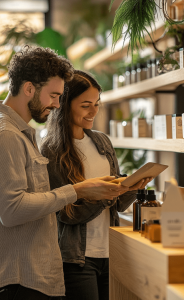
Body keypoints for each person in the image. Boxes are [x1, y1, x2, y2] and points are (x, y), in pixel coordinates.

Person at [0, 46, 129, 300]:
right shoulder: (5, 135)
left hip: (27, 279)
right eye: (54, 95)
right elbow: (11, 210)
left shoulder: (19, 133)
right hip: (15, 283)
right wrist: (77, 190)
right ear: (29, 88)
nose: (57, 104)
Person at [40, 70, 152, 300]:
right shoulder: (51, 150)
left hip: (111, 252)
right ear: (64, 104)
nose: (94, 112)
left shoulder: (102, 141)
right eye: (85, 105)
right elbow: (66, 214)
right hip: (76, 260)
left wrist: (133, 186)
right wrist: (106, 196)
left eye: (97, 104)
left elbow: (118, 205)